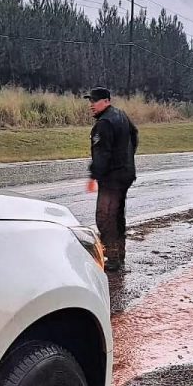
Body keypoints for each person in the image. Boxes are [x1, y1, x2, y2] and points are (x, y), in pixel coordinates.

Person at [84, 85, 138, 272]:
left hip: (112, 179)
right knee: (117, 215)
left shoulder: (104, 123)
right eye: (90, 101)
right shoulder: (121, 115)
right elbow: (135, 135)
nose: (91, 104)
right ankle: (119, 255)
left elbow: (102, 154)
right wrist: (127, 159)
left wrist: (93, 176)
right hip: (125, 175)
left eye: (95, 101)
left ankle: (112, 258)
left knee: (105, 217)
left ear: (106, 101)